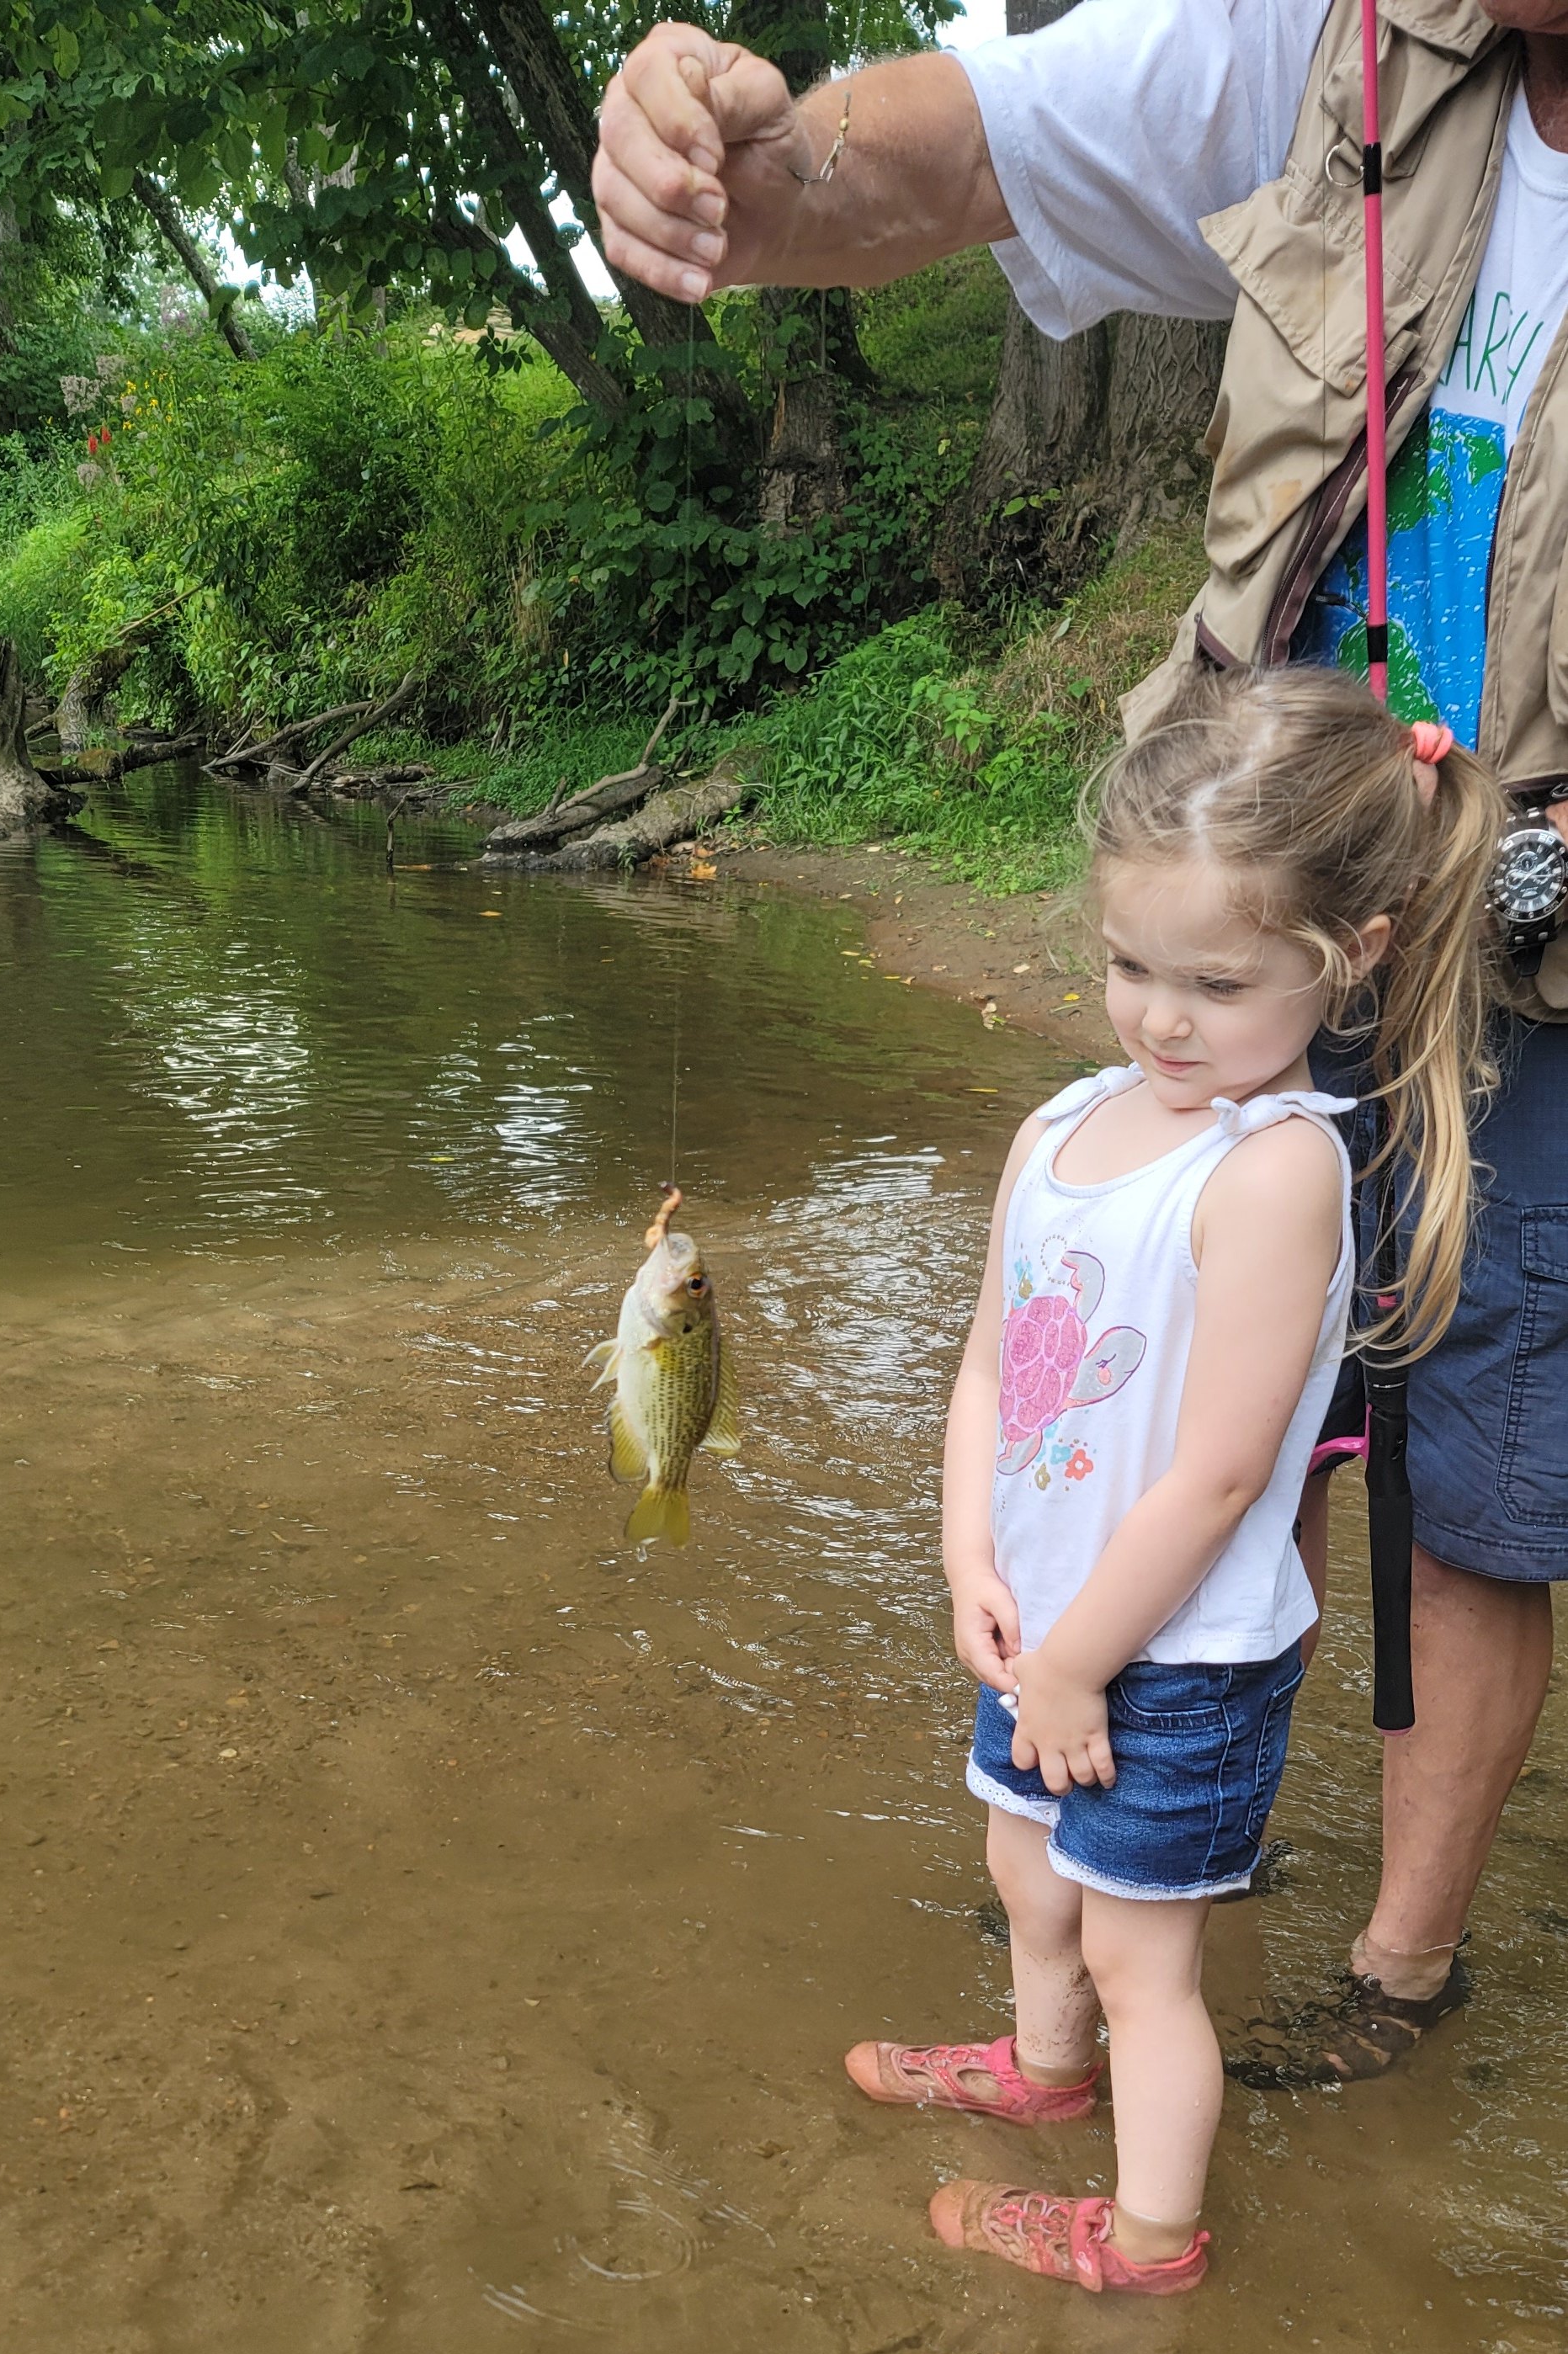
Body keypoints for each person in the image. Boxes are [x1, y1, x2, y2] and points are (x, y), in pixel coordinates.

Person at [593, 0, 1568, 2082]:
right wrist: (740, 159)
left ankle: (1397, 1974)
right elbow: (937, 155)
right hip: (1257, 893)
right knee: (1227, 1376)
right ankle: (1168, 1830)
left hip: (1530, 959)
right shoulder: (1340, 38)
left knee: (1474, 1466)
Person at [842, 666, 1501, 2290]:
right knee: (1024, 1870)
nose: (1161, 1019)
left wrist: (1078, 1660)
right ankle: (1045, 2074)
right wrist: (970, 1567)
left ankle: (1148, 2239)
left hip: (1177, 1656)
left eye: (1215, 983)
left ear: (1346, 959)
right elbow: (992, 1368)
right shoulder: (1064, 1123)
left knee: (1148, 1958)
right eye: (1133, 966)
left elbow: (1218, 1482)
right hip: (1044, 1621)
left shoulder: (1273, 1169)